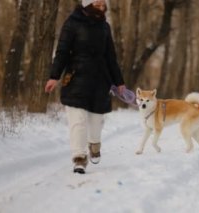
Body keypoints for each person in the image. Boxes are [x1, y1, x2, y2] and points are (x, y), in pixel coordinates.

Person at [45, 0, 125, 174]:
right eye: (98, 3)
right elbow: (63, 51)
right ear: (87, 4)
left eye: (103, 4)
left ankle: (94, 144)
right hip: (76, 78)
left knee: (97, 120)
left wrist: (118, 82)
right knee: (78, 120)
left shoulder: (105, 27)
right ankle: (79, 158)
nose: (102, 6)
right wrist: (54, 76)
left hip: (99, 80)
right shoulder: (73, 23)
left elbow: (111, 56)